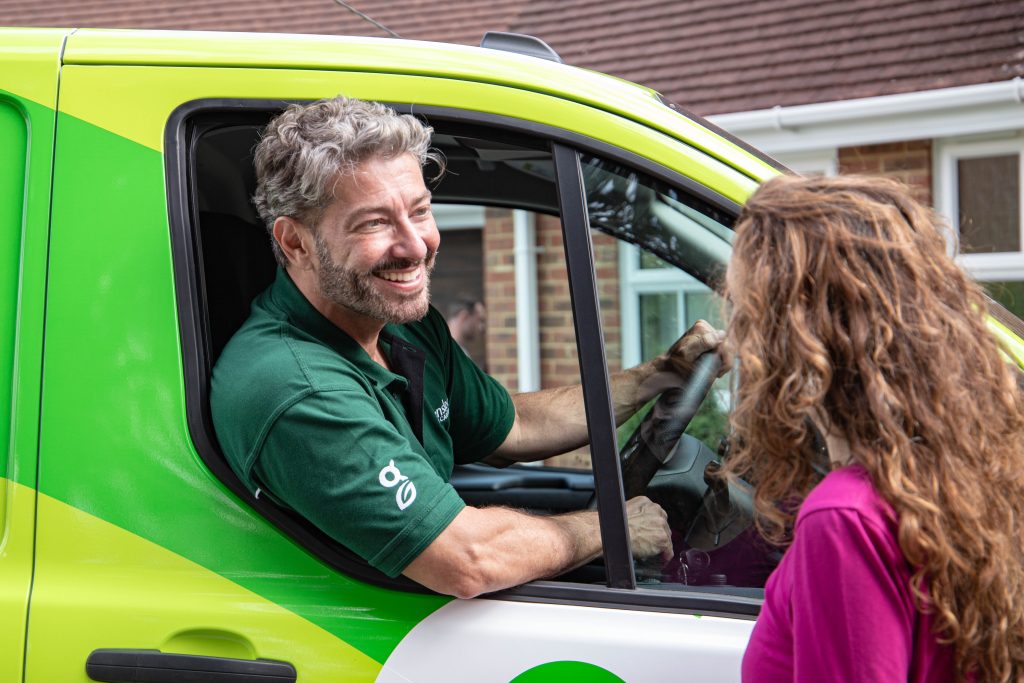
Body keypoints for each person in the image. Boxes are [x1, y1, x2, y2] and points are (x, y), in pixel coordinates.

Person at [210, 96, 724, 599]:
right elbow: (469, 559)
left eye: (420, 211)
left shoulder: (399, 325)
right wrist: (610, 528)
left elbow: (517, 425)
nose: (415, 246)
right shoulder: (297, 387)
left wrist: (658, 376)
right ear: (295, 242)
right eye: (374, 222)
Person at [722, 175, 1024, 681]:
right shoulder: (964, 471)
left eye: (746, 315)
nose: (734, 341)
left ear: (797, 335)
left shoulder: (844, 517)